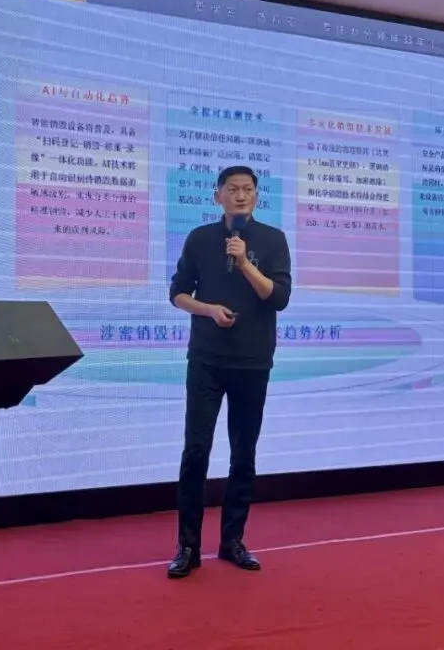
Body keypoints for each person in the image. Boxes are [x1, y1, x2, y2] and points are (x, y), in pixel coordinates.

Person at [166, 165, 292, 579]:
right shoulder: (200, 238)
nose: (241, 196)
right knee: (195, 452)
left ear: (256, 196)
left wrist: (245, 263)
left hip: (252, 362)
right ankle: (187, 547)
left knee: (243, 454)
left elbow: (279, 298)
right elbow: (178, 293)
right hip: (206, 360)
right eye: (233, 189)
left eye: (248, 189)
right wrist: (207, 309)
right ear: (216, 195)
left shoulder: (272, 240)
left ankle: (232, 541)